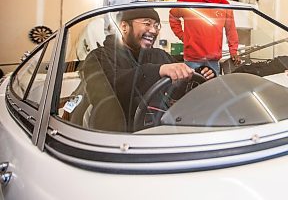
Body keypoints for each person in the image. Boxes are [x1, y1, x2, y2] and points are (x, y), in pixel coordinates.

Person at [77, 8, 214, 130]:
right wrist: (156, 71)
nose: (153, 30)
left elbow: (178, 91)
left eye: (156, 25)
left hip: (162, 130)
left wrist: (200, 75)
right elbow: (112, 87)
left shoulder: (159, 55)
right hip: (121, 138)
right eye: (147, 24)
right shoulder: (99, 57)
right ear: (124, 26)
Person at [169, 0, 241, 75]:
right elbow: (173, 17)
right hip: (192, 60)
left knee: (212, 89)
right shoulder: (186, 1)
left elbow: (231, 31)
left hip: (213, 60)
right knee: (191, 89)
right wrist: (183, 36)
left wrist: (233, 51)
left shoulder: (224, 5)